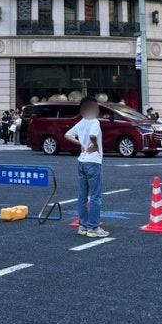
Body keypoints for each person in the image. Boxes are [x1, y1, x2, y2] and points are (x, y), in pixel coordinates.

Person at [65, 96, 108, 239]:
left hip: (81, 162)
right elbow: (92, 135)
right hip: (93, 162)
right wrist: (94, 145)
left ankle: (83, 225)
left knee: (82, 196)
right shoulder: (94, 121)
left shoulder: (81, 122)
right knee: (95, 196)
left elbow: (67, 135)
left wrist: (81, 145)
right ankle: (93, 227)